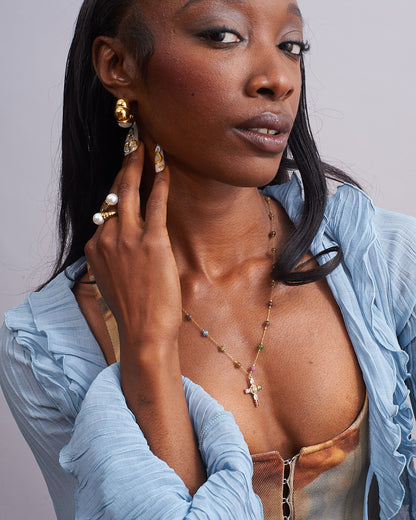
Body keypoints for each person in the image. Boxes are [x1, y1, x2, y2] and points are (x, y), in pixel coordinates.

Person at [1, 0, 415, 519]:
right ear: (118, 66)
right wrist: (147, 350)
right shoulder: (46, 351)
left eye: (291, 46)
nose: (277, 80)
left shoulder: (387, 264)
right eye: (223, 35)